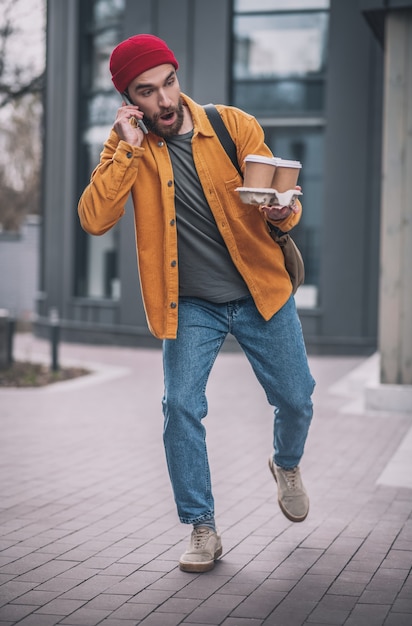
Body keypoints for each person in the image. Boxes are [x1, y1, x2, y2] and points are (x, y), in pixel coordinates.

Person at [78, 34, 315, 573]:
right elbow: (94, 218)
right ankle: (202, 527)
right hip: (191, 306)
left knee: (297, 398)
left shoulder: (233, 126)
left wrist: (282, 213)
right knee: (180, 406)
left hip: (259, 291)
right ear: (129, 100)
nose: (164, 100)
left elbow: (282, 204)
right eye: (147, 92)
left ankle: (286, 464)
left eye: (169, 83)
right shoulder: (128, 148)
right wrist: (127, 146)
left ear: (177, 78)